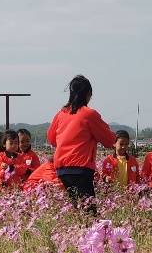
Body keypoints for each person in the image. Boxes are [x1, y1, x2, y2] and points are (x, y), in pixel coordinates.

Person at [46, 74, 117, 208]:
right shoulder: (88, 114)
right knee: (89, 210)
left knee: (77, 208)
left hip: (62, 169)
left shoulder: (61, 114)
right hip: (81, 168)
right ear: (88, 94)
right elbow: (109, 140)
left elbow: (51, 139)